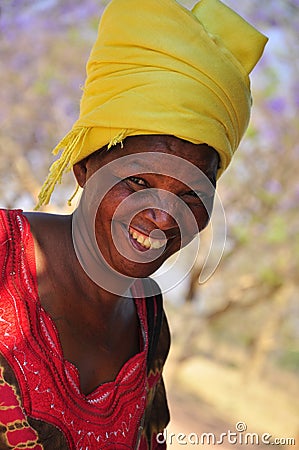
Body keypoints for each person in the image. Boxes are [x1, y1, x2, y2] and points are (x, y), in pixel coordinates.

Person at [0, 0, 267, 448]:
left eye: (191, 195)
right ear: (85, 166)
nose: (164, 216)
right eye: (138, 180)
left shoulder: (150, 324)